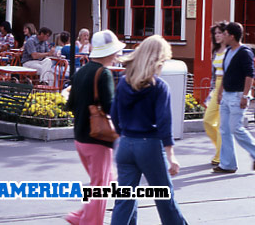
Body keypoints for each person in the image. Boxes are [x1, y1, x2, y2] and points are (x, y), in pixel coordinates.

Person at [110, 34, 187, 225]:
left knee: (124, 200)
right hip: (149, 145)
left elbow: (115, 116)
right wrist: (171, 155)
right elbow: (164, 123)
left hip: (126, 144)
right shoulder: (159, 87)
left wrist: (125, 137)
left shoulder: (123, 82)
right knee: (164, 197)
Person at [65, 29, 123, 225]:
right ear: (108, 53)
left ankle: (80, 216)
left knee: (104, 182)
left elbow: (70, 104)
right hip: (97, 138)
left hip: (80, 136)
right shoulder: (103, 73)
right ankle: (90, 221)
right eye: (115, 52)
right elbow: (110, 107)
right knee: (101, 187)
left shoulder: (81, 72)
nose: (117, 56)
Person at [212, 21, 255, 174]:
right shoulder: (228, 51)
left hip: (237, 95)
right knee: (225, 129)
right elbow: (226, 73)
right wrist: (220, 92)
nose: (223, 36)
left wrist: (245, 95)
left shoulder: (244, 52)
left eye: (225, 34)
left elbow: (249, 74)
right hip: (227, 94)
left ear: (232, 36)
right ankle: (227, 164)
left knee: (236, 128)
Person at [203, 21, 227, 167]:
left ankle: (219, 156)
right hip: (216, 86)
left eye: (220, 33)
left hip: (226, 87)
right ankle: (220, 149)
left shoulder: (230, 50)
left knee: (222, 124)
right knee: (208, 120)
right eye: (215, 33)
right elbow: (214, 74)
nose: (217, 36)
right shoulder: (216, 51)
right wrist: (213, 90)